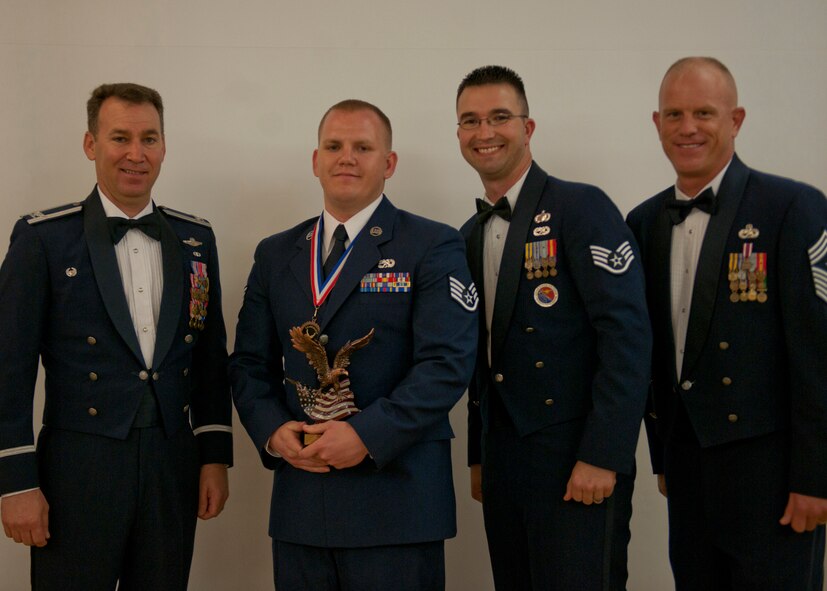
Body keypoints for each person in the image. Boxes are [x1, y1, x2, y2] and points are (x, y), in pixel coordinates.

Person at [229, 99, 477, 590]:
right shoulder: (276, 252)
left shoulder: (431, 244)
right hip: (303, 500)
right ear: (315, 160)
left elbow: (446, 365)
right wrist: (272, 429)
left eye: (363, 147)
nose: (347, 158)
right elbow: (248, 363)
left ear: (389, 163)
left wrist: (367, 434)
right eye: (334, 146)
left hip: (397, 503)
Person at [0, 83, 233, 590]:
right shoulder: (43, 238)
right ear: (91, 145)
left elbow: (210, 358)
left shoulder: (196, 239)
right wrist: (15, 482)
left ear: (164, 147)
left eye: (149, 138)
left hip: (172, 463)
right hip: (78, 466)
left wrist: (214, 455)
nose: (135, 153)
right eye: (119, 138)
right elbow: (8, 369)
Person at [626, 56, 827, 589]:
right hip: (688, 469)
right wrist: (662, 453)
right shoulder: (643, 222)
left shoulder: (793, 207)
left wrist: (817, 477)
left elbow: (818, 354)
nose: (687, 127)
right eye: (673, 114)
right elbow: (648, 354)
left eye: (704, 113)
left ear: (735, 120)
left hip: (774, 472)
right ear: (656, 123)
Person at [456, 65, 651, 590]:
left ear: (529, 126)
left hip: (576, 458)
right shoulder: (469, 233)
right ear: (458, 135)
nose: (485, 132)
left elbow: (627, 336)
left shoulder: (580, 206)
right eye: (470, 121)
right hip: (505, 461)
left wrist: (603, 454)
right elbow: (481, 356)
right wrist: (479, 454)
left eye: (500, 117)